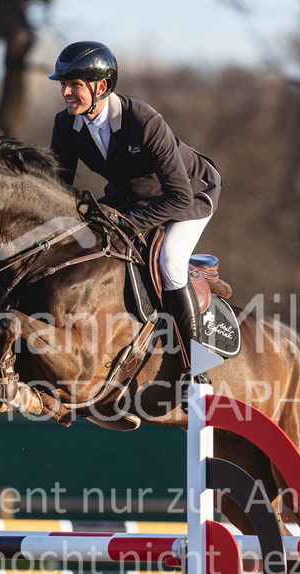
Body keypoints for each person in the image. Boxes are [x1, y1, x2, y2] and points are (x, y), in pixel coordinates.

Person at [48, 40, 222, 398]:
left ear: (101, 87)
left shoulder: (143, 121)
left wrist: (128, 223)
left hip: (190, 195)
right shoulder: (66, 125)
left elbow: (178, 196)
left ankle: (197, 369)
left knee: (170, 262)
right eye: (63, 83)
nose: (65, 92)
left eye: (74, 84)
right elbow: (58, 189)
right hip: (130, 198)